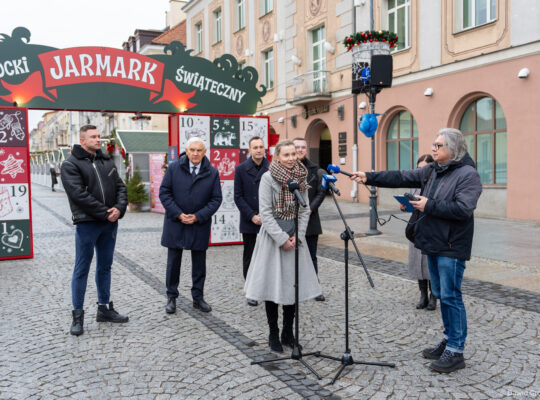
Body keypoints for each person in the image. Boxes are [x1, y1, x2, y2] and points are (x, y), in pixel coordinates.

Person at [351, 128, 482, 373]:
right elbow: (400, 176)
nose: (433, 149)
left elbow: (463, 209)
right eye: (434, 144)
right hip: (432, 242)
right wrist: (368, 176)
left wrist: (428, 205)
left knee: (452, 297)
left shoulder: (468, 175)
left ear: (453, 150)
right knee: (442, 294)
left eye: (439, 145)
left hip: (451, 246)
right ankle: (448, 339)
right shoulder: (432, 170)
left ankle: (456, 350)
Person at [244, 140, 322, 353]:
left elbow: (305, 210)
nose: (290, 159)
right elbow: (266, 213)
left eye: (293, 154)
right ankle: (273, 332)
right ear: (277, 157)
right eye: (285, 155)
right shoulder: (267, 178)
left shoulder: (301, 177)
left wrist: (298, 235)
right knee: (273, 285)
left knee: (292, 285)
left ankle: (288, 331)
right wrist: (281, 238)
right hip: (273, 238)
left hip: (295, 237)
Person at [61, 125, 129, 336]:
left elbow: (121, 187)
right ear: (83, 140)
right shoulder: (70, 164)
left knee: (105, 266)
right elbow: (78, 194)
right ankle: (78, 316)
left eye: (99, 136)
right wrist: (105, 212)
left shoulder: (106, 160)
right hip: (87, 223)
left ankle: (104, 308)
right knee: (82, 268)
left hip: (109, 223)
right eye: (93, 137)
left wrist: (118, 208)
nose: (98, 139)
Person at [160, 137, 222, 314]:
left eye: (199, 150)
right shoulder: (173, 168)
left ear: (205, 152)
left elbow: (216, 199)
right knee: (173, 263)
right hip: (175, 223)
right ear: (186, 151)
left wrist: (197, 216)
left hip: (199, 224)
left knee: (199, 264)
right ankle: (171, 297)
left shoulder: (212, 172)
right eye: (192, 150)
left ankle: (198, 297)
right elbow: (164, 193)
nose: (195, 153)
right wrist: (179, 214)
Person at [234, 136, 270, 307]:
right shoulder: (241, 169)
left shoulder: (272, 168)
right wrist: (252, 216)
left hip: (269, 219)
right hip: (250, 220)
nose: (258, 150)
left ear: (265, 149)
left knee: (268, 256)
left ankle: (267, 288)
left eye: (261, 147)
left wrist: (266, 215)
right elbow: (238, 196)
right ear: (249, 150)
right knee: (250, 256)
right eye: (255, 147)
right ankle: (251, 290)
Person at [293, 137, 327, 301]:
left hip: (311, 219)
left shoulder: (315, 170)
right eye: (297, 147)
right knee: (291, 256)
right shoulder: (285, 169)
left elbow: (322, 191)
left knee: (311, 256)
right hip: (290, 219)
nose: (300, 150)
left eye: (303, 147)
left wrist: (311, 208)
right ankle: (292, 286)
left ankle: (315, 288)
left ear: (307, 150)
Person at [402, 154, 437, 311]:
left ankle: (433, 296)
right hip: (415, 228)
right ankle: (422, 295)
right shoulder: (414, 183)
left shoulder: (435, 184)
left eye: (423, 168)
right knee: (418, 264)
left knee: (430, 265)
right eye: (418, 168)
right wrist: (405, 206)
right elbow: (412, 206)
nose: (420, 171)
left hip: (430, 228)